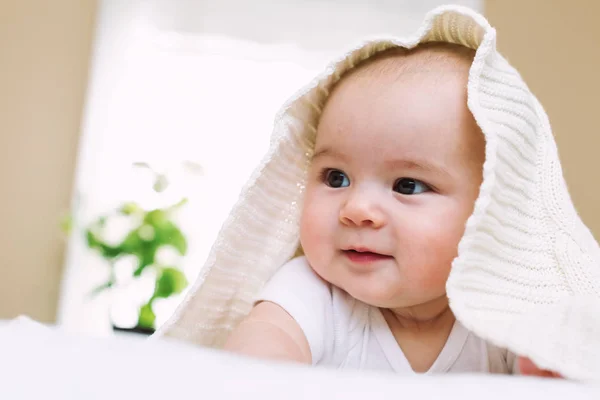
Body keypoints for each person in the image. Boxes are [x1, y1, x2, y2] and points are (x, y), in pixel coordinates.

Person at [154, 5, 600, 382]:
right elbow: (257, 358)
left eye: (407, 185)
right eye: (335, 178)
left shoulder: (500, 317)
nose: (357, 209)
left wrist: (554, 368)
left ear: (492, 210)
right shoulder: (313, 292)